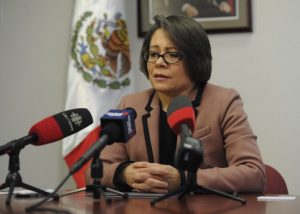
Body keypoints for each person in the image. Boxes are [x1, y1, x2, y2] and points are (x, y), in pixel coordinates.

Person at [85, 14, 266, 194]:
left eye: (172, 55)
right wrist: (124, 174)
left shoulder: (223, 102)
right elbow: (94, 172)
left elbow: (253, 172)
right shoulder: (131, 105)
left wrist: (185, 179)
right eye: (153, 54)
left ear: (195, 60)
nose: (159, 62)